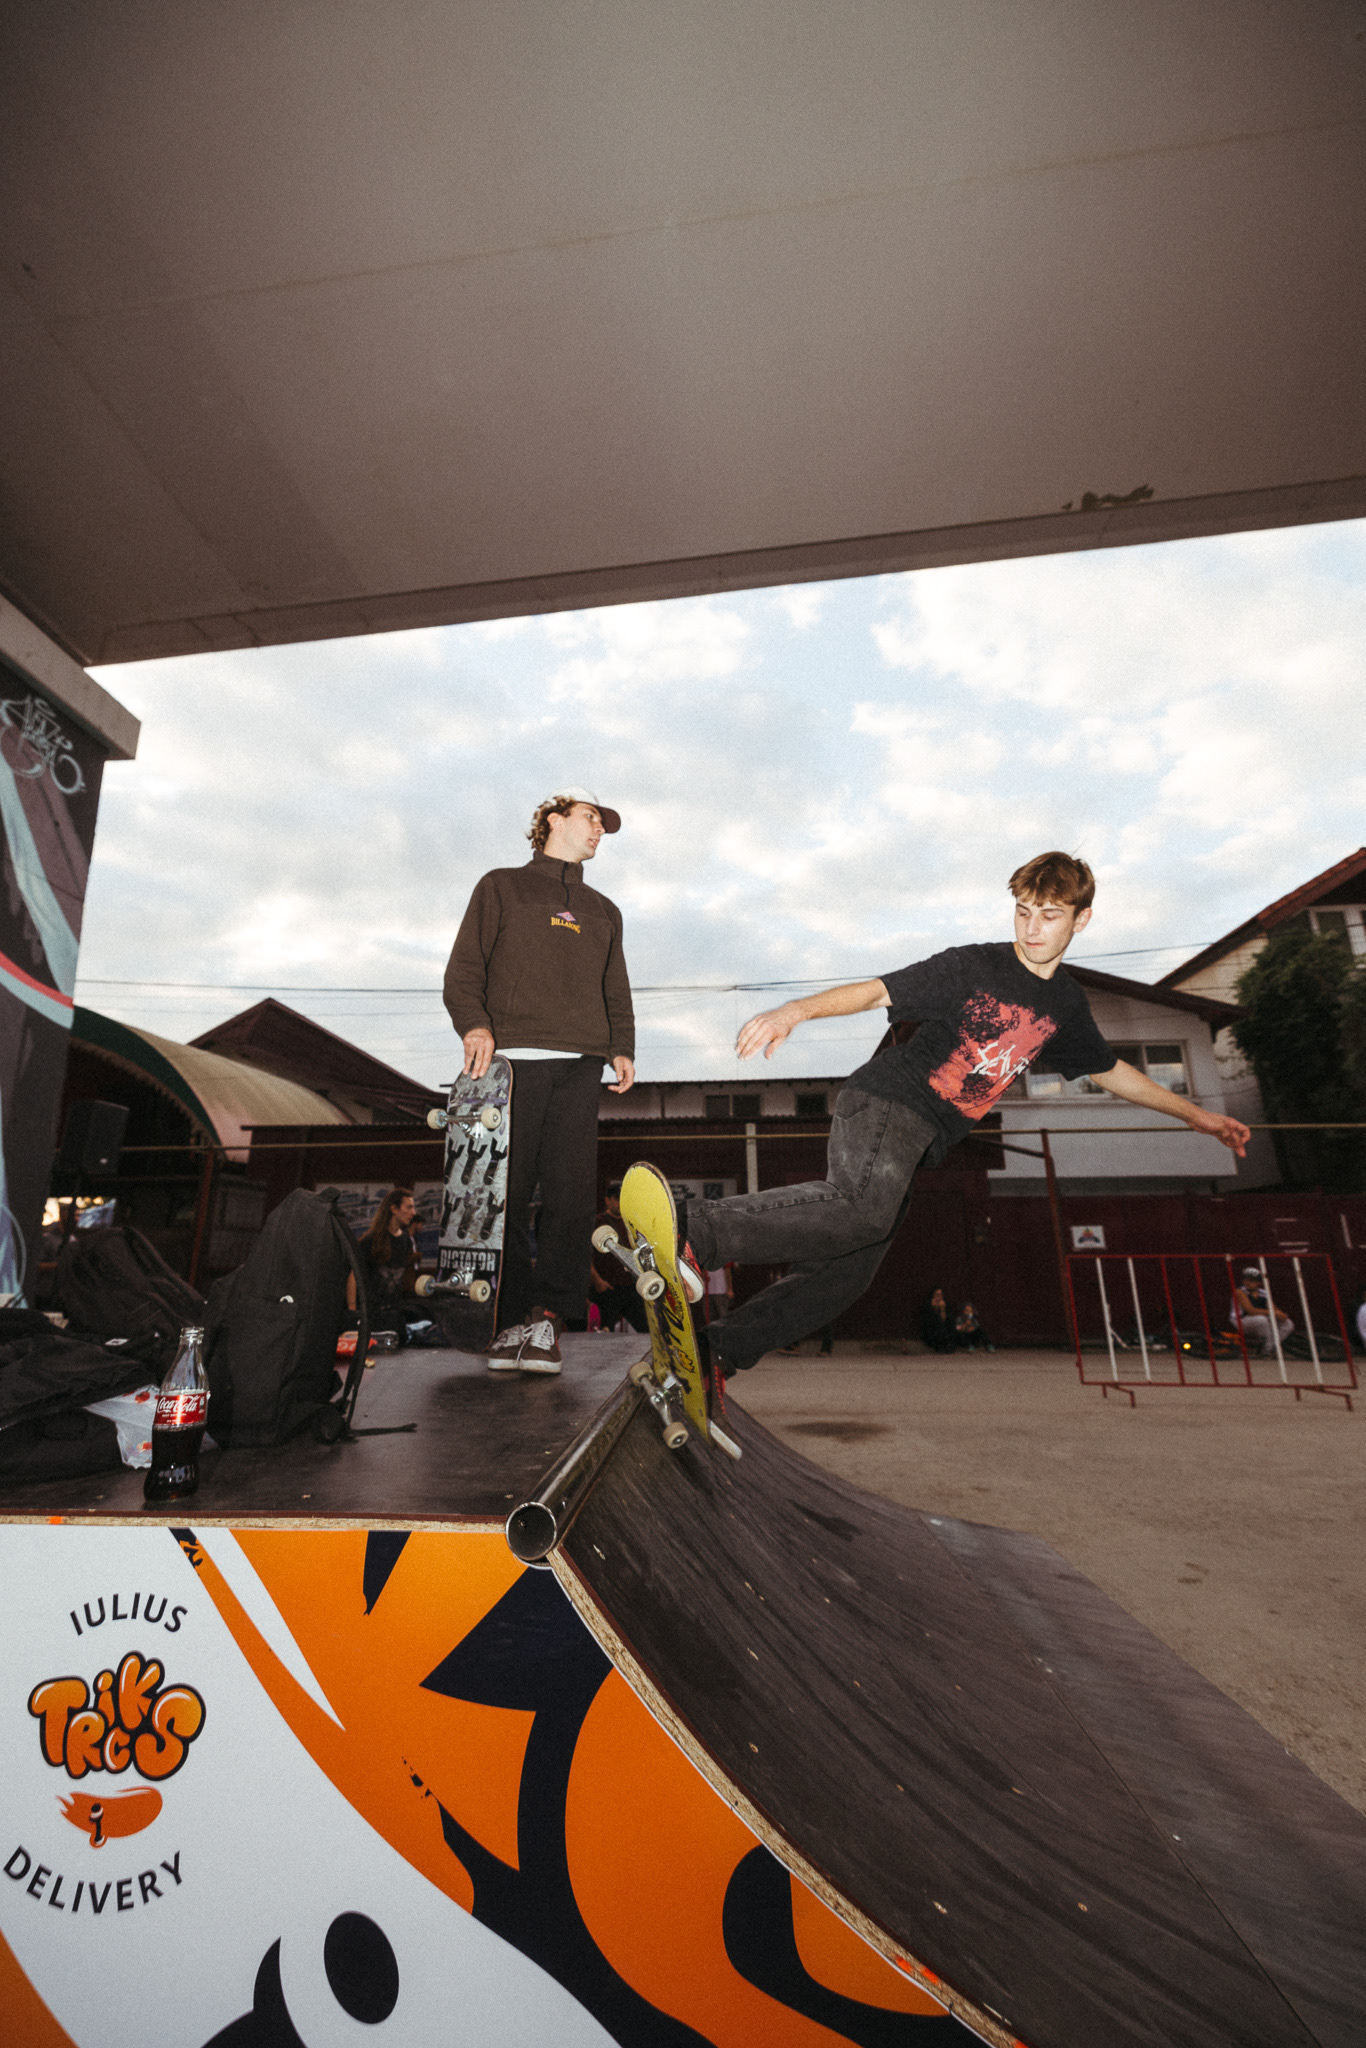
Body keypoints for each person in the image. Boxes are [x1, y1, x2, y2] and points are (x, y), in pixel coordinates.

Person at [678, 852, 1252, 1378]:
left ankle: (719, 1348)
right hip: (887, 1100)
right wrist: (795, 1011)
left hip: (921, 1139)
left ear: (1081, 920)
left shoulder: (1065, 1005)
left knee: (845, 1274)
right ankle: (692, 1230)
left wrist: (1195, 1116)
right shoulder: (973, 966)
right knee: (862, 1208)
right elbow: (877, 992)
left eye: (1049, 916)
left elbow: (1108, 1069)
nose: (1031, 929)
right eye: (1023, 912)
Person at [444, 787, 635, 1373]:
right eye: (590, 817)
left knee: (571, 1197)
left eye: (603, 824)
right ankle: (505, 1321)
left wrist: (622, 1046)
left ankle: (549, 1320)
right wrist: (474, 1024)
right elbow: (464, 969)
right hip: (510, 1067)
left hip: (580, 1066)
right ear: (554, 820)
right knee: (500, 1195)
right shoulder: (501, 886)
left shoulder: (604, 910)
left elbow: (615, 985)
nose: (599, 830)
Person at [347, 1187, 423, 1342]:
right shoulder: (370, 1241)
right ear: (394, 1209)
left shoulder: (405, 1240)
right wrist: (352, 1313)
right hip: (371, 1315)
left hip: (394, 1316)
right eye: (409, 1207)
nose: (413, 1213)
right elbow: (353, 1275)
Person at [591, 1183, 649, 1335]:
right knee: (604, 1332)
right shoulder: (596, 1222)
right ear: (607, 1200)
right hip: (607, 1288)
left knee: (647, 1330)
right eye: (617, 1198)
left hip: (631, 1286)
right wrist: (597, 1281)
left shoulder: (632, 1223)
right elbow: (585, 1256)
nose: (620, 1202)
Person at [1229, 1265, 1293, 1356]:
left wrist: (1281, 1315)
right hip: (1241, 1320)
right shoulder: (1239, 1292)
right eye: (1246, 1280)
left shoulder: (1263, 1293)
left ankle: (1272, 1346)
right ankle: (1266, 1350)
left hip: (1258, 1319)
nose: (1247, 1282)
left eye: (1252, 1280)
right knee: (1262, 1320)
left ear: (1258, 1283)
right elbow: (1251, 1310)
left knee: (1288, 1323)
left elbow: (1273, 1308)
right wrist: (1273, 1313)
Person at [920, 1287, 956, 1352]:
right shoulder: (927, 1306)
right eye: (937, 1295)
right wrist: (935, 1309)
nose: (939, 1297)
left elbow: (947, 1321)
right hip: (931, 1331)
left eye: (941, 1295)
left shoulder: (945, 1305)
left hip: (945, 1330)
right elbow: (928, 1322)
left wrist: (942, 1309)